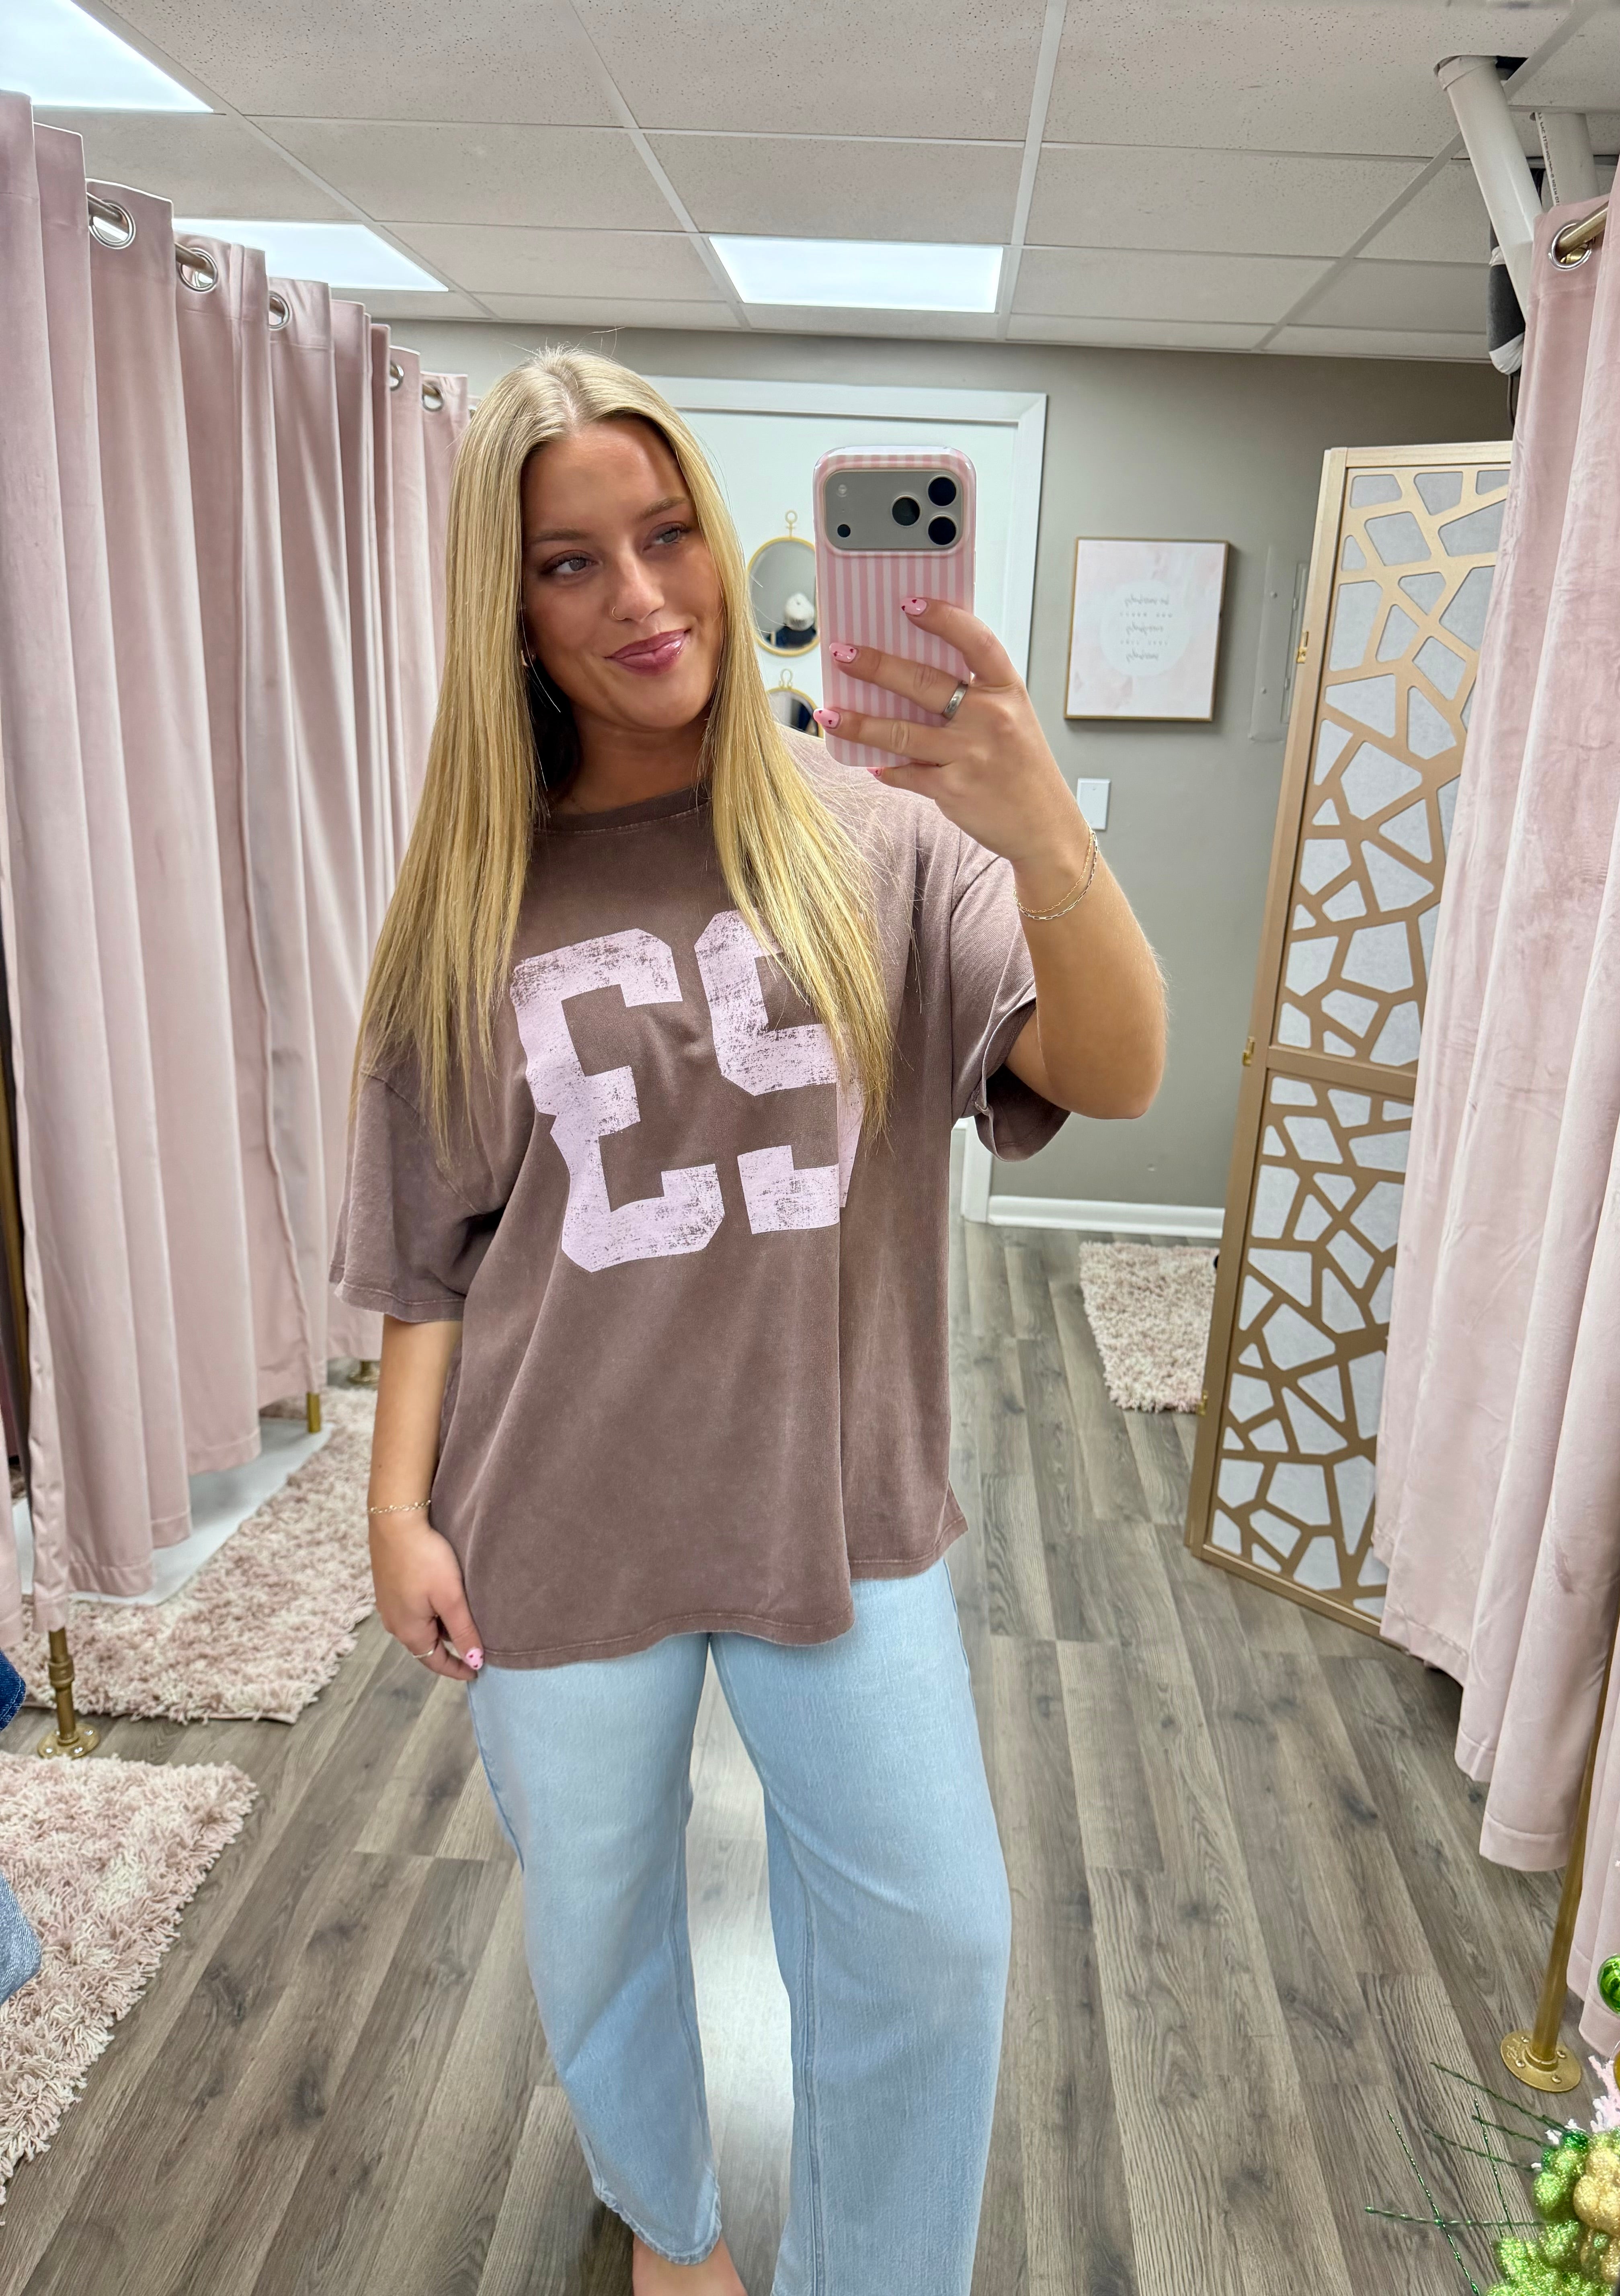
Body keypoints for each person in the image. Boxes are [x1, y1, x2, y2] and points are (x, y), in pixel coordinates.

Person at [334, 350, 1165, 2296]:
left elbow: (1116, 1072)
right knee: (597, 1916)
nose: (639, 597)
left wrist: (1045, 830)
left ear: (726, 538)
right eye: (569, 562)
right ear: (509, 608)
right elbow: (435, 1247)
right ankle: (671, 2223)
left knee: (935, 1937)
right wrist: (394, 1508)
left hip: (836, 1505)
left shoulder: (881, 835)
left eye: (667, 533)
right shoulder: (472, 894)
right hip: (556, 1511)